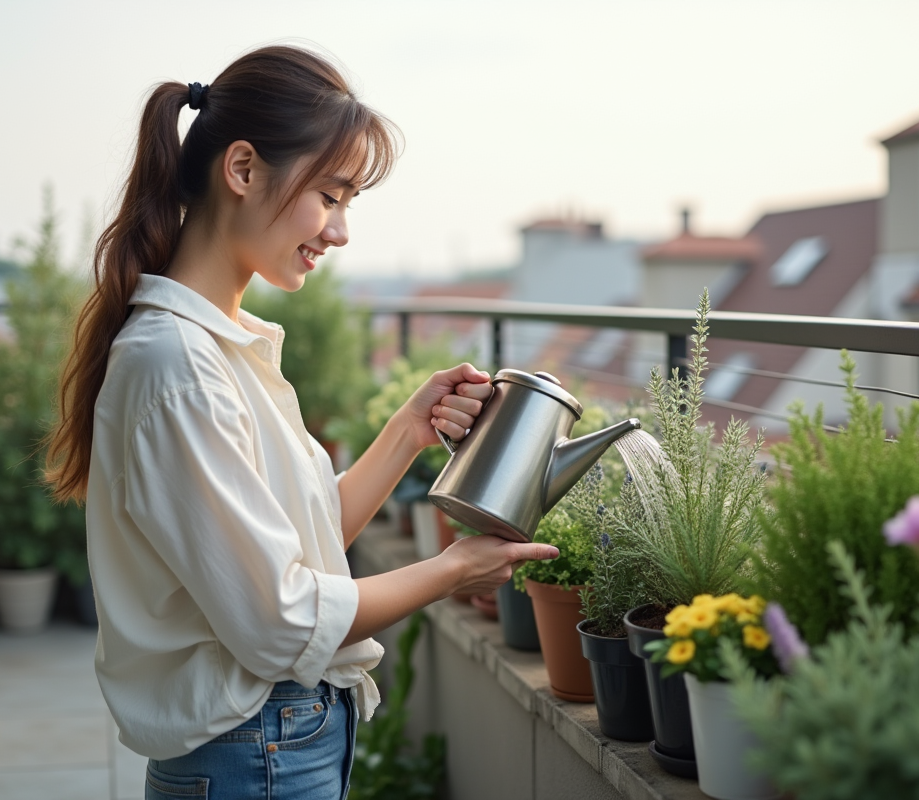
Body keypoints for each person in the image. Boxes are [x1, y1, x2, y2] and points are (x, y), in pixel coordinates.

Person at [43, 45, 558, 800]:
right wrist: (453, 570)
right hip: (255, 753)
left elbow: (297, 550)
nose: (341, 231)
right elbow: (281, 620)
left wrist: (408, 428)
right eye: (332, 194)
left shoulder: (217, 346)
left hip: (272, 744)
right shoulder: (180, 366)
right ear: (244, 170)